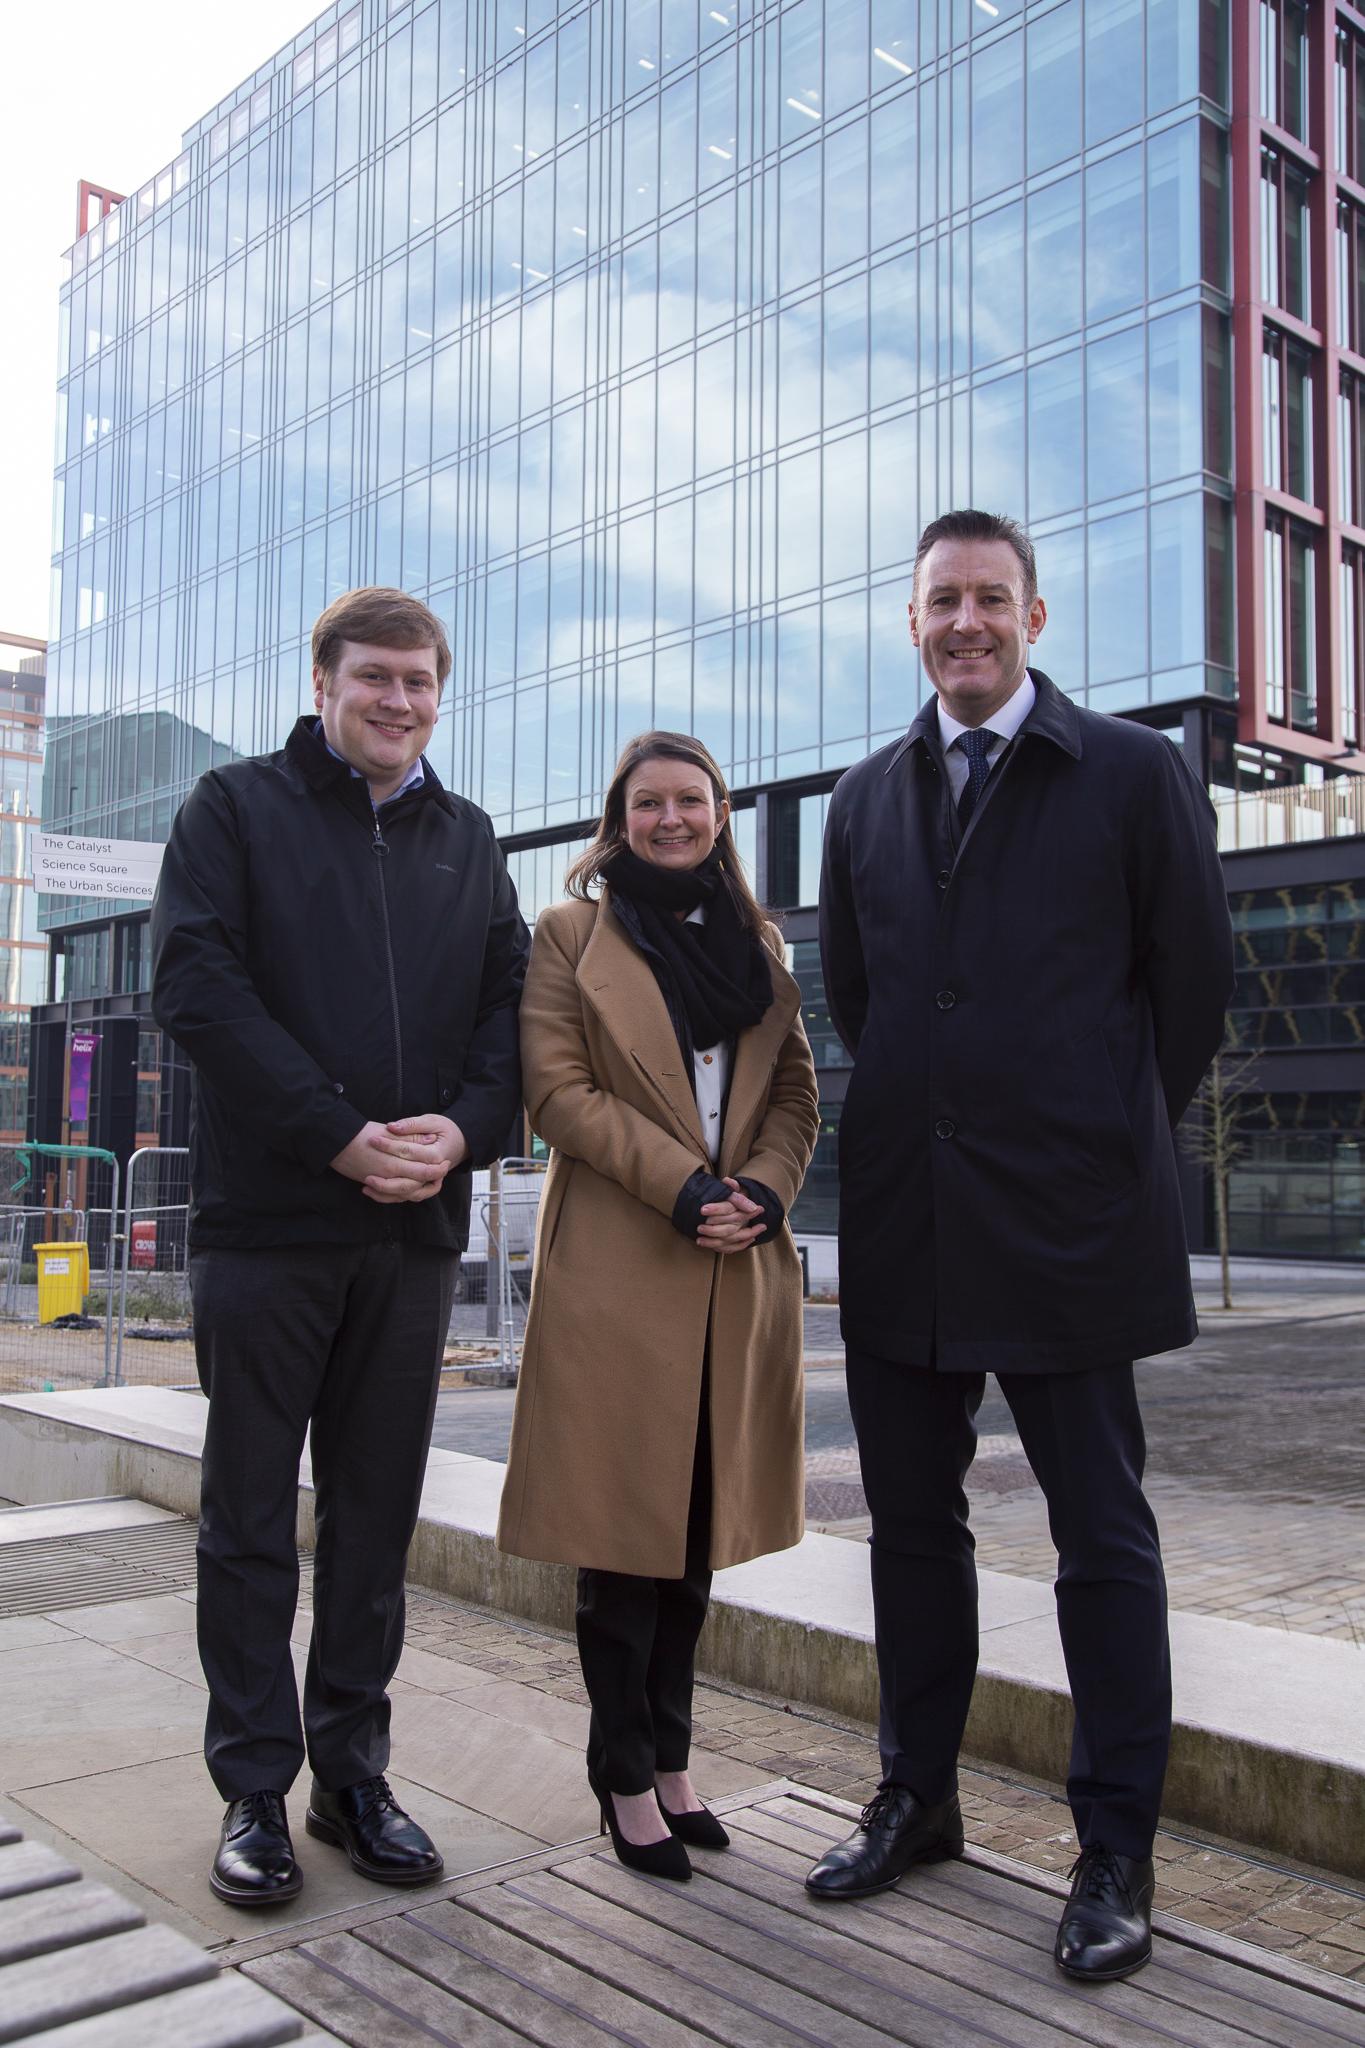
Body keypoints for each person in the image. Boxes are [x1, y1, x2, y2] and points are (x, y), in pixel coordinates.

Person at [806, 511, 1234, 1982]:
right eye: (942, 601)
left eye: (992, 598)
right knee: (913, 1533)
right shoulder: (865, 800)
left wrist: (1094, 1136)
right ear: (909, 619)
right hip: (911, 1227)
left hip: (1070, 1227)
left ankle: (1116, 1846)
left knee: (1099, 1541)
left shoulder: (1130, 775)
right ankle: (917, 1796)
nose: (966, 622)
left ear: (1035, 618)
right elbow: (861, 1003)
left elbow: (1189, 994)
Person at [151, 587, 529, 1908]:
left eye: (420, 681)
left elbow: (512, 1020)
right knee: (251, 1518)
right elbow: (194, 981)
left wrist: (465, 1135)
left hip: (412, 1241)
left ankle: (350, 1778)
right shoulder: (232, 809)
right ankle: (253, 1787)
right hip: (270, 1230)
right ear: (322, 682)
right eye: (373, 677)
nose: (398, 700)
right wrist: (335, 1135)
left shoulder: (469, 840)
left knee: (372, 1524)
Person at [497, 731, 819, 1879]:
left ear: (721, 814)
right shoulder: (570, 934)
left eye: (691, 800)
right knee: (619, 1544)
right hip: (624, 1265)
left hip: (735, 1267)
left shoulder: (758, 942)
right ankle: (623, 1773)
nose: (671, 818)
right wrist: (682, 1187)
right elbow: (557, 1093)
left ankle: (674, 1758)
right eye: (649, 801)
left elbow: (792, 1093)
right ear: (618, 815)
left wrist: (765, 1193)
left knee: (693, 1543)